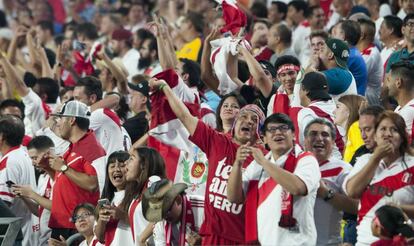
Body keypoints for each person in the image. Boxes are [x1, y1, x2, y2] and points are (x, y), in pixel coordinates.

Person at [150, 76, 266, 245]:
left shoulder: (263, 158)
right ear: (235, 123)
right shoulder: (216, 141)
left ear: (259, 132)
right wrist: (165, 88)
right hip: (211, 235)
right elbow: (184, 116)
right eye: (243, 116)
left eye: (254, 120)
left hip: (241, 239)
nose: (248, 121)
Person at [227, 113, 320, 245]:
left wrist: (264, 162)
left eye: (283, 128)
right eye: (271, 130)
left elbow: (298, 188)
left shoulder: (305, 159)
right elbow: (234, 198)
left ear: (293, 134)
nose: (278, 132)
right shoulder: (256, 166)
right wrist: (237, 164)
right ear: (264, 139)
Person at [344, 111, 414, 245]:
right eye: (383, 129)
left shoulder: (412, 164)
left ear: (403, 137)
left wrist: (399, 209)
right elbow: (352, 192)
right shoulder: (365, 160)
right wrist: (375, 159)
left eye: (394, 130)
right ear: (375, 136)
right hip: (364, 241)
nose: (388, 134)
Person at [49, 100, 100, 240]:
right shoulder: (75, 146)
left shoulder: (90, 148)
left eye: (61, 118)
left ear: (71, 120)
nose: (58, 123)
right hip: (64, 224)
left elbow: (92, 183)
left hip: (76, 226)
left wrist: (64, 168)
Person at [303, 118, 357, 245]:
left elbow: (357, 206)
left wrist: (326, 193)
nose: (319, 138)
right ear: (304, 140)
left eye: (325, 135)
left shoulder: (343, 169)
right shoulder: (294, 165)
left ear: (333, 142)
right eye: (313, 134)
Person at [0, 116, 37, 246]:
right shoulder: (24, 153)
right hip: (27, 227)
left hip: (13, 235)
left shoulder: (9, 162)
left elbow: (3, 205)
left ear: (2, 137)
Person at [12, 136, 55, 246]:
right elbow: (39, 211)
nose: (33, 163)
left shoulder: (62, 177)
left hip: (57, 237)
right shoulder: (43, 179)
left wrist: (32, 194)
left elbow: (59, 207)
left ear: (47, 154)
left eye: (35, 158)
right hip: (43, 238)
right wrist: (23, 195)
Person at [142, 179, 204, 246]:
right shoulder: (160, 220)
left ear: (178, 200)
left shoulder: (203, 210)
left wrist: (204, 243)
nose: (165, 217)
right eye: (161, 213)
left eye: (167, 210)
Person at [125, 147, 166, 244]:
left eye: (131, 158)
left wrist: (142, 238)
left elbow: (160, 212)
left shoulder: (154, 180)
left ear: (143, 164)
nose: (125, 163)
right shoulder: (138, 192)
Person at [299, 71, 344, 159]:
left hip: (329, 162)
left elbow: (311, 144)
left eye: (300, 89)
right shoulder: (338, 106)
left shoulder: (307, 113)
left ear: (305, 90)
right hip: (349, 159)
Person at [94, 151, 134, 245]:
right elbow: (100, 238)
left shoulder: (138, 196)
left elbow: (145, 223)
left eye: (122, 165)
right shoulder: (106, 201)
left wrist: (123, 216)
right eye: (112, 166)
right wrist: (102, 221)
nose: (117, 169)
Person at [332, 20, 368, 96]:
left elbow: (331, 78)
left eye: (336, 33)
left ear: (343, 36)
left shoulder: (350, 56)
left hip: (352, 102)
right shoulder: (351, 53)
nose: (333, 36)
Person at [384, 61, 414, 144]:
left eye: (388, 80)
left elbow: (401, 146)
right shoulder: (400, 107)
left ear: (398, 82)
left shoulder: (409, 111)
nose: (386, 85)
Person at [334, 95, 366, 162]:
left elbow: (361, 157)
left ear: (349, 111)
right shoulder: (354, 128)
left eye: (338, 107)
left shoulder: (356, 127)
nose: (334, 111)